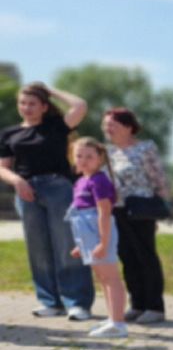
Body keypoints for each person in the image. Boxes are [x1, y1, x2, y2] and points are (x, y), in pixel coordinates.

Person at [1, 82, 93, 319]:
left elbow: (80, 106)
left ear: (44, 106)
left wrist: (50, 91)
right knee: (38, 249)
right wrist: (17, 182)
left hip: (58, 189)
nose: (27, 107)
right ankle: (50, 302)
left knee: (66, 245)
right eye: (23, 103)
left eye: (33, 103)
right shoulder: (9, 133)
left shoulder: (56, 126)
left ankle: (77, 303)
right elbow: (2, 167)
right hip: (26, 192)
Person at [102, 108, 170, 324]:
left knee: (146, 257)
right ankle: (137, 304)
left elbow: (158, 177)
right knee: (128, 258)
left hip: (141, 208)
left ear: (128, 127)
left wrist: (159, 206)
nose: (108, 129)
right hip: (117, 210)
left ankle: (154, 307)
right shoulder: (107, 152)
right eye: (105, 126)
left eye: (113, 125)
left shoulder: (145, 148)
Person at [65, 138, 128, 339]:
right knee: (103, 278)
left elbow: (103, 213)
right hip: (88, 235)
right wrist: (81, 245)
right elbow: (80, 217)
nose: (83, 160)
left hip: (99, 233)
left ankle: (119, 324)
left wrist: (103, 241)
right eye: (79, 156)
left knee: (111, 278)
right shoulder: (81, 181)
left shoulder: (99, 181)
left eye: (89, 156)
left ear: (100, 159)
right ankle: (112, 319)